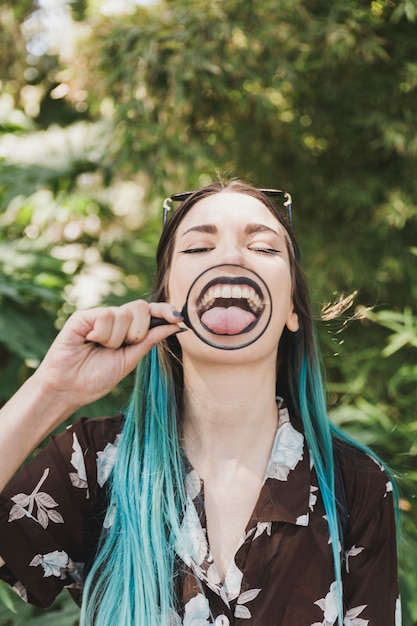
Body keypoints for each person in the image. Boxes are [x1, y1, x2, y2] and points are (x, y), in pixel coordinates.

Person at [0, 180, 400, 625]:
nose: (230, 256)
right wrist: (52, 391)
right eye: (197, 248)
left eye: (264, 248)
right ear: (168, 300)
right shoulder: (92, 462)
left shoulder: (356, 484)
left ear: (292, 310)